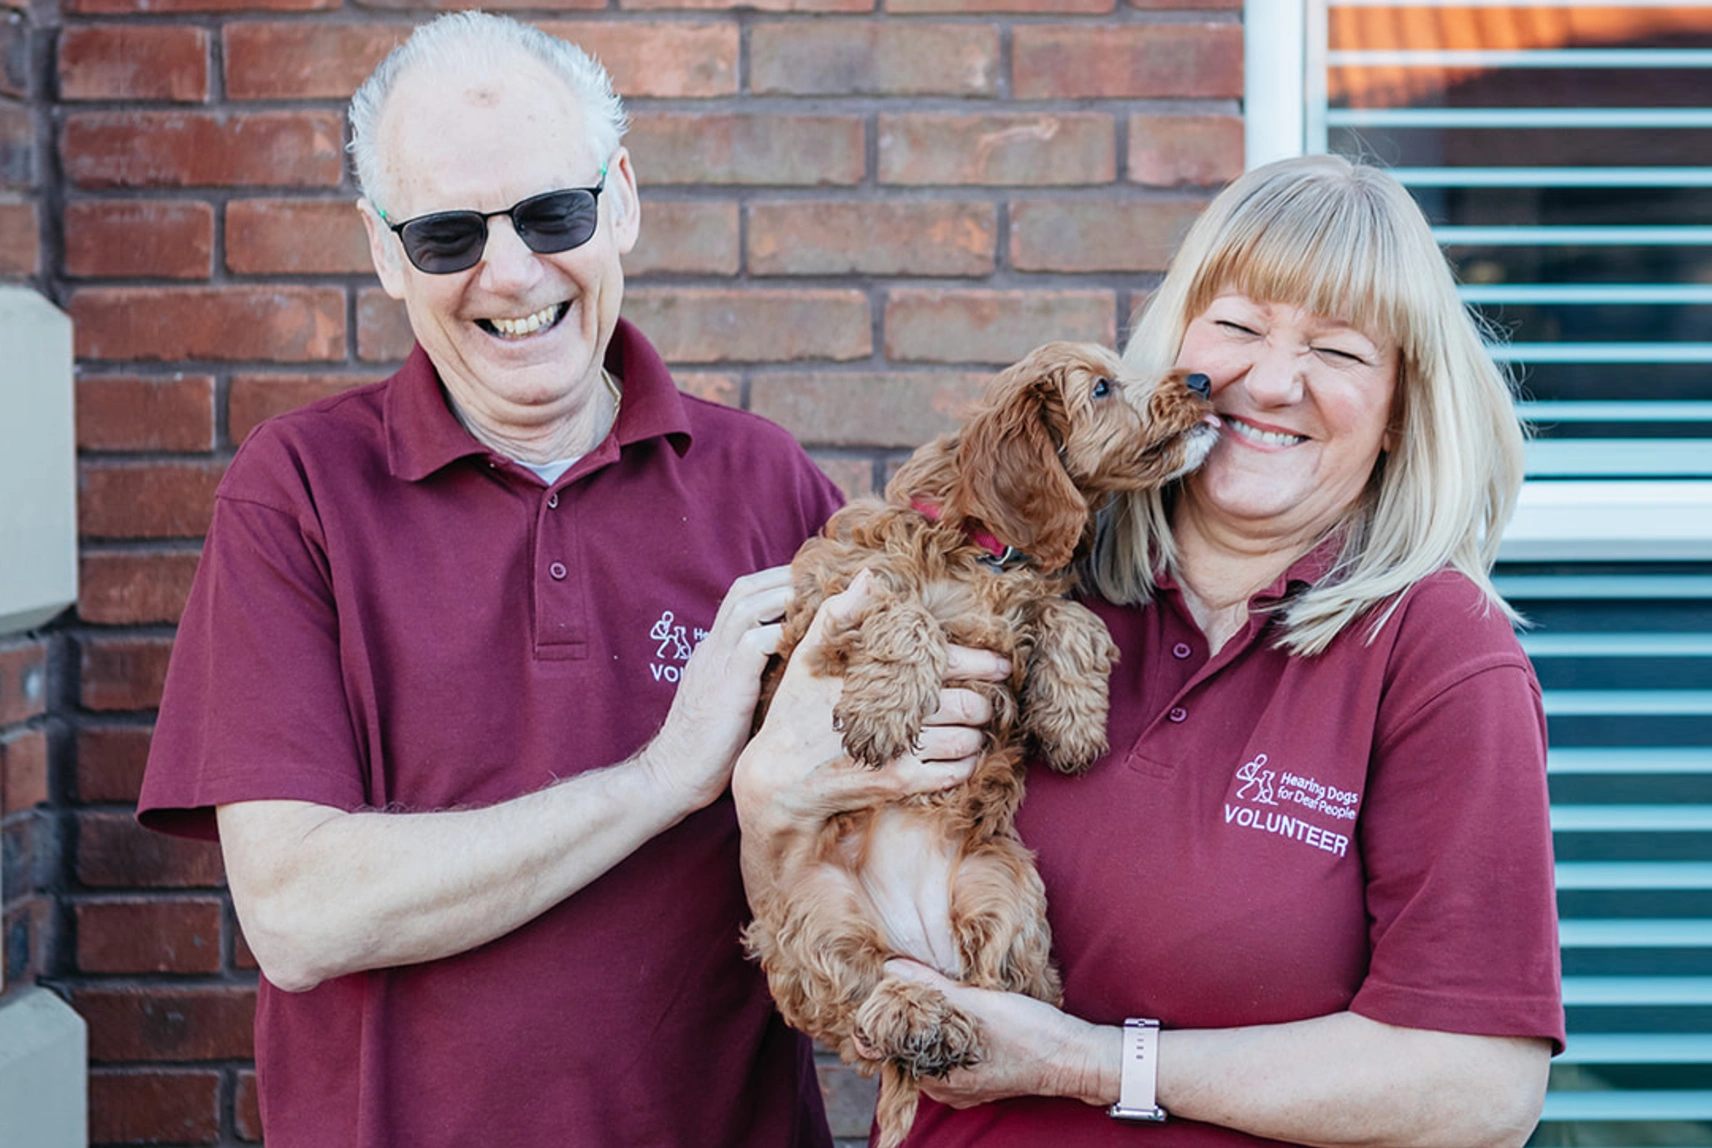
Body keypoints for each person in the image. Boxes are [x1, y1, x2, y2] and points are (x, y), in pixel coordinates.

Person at [135, 13, 994, 1147]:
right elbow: (297, 910)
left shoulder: (765, 482)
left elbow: (905, 831)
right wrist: (659, 776)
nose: (511, 270)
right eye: (447, 235)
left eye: (553, 213)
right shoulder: (297, 492)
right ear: (386, 254)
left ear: (621, 198)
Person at [733, 154, 1564, 1146]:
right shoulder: (1031, 577)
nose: (1275, 381)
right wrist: (765, 800)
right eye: (1242, 326)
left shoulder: (1436, 653)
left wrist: (1088, 1061)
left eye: (1338, 350)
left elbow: (1481, 1089)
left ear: (1396, 413)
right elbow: (823, 886)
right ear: (1178, 343)